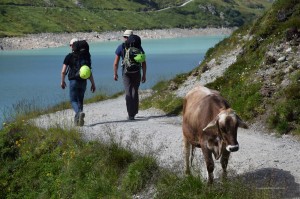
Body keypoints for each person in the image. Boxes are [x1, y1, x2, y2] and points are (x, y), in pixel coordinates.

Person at [61, 38, 96, 126]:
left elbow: (63, 71)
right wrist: (93, 83)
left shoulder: (69, 56)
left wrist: (62, 81)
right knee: (80, 100)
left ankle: (78, 113)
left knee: (73, 100)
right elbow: (89, 71)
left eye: (70, 45)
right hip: (83, 81)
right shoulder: (86, 56)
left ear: (73, 46)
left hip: (73, 80)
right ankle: (78, 122)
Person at [113, 30, 147, 120]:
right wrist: (144, 75)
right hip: (137, 71)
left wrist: (115, 74)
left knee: (128, 92)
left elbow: (115, 63)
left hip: (126, 72)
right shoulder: (139, 47)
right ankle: (134, 112)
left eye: (124, 37)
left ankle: (130, 114)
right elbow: (143, 62)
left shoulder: (121, 47)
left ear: (126, 37)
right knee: (135, 91)